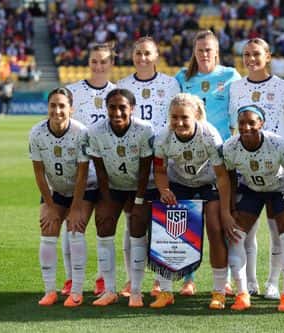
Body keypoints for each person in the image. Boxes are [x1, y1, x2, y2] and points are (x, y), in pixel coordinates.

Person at [152, 93, 234, 309]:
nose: (179, 122)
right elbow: (159, 169)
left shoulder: (209, 135)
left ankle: (218, 291)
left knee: (215, 229)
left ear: (196, 116)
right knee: (170, 232)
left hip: (208, 184)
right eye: (174, 117)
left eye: (184, 117)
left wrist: (225, 211)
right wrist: (164, 189)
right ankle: (166, 291)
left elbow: (223, 176)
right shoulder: (163, 137)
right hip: (179, 184)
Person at [175, 29, 241, 295]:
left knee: (219, 223)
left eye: (209, 50)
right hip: (188, 157)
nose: (204, 54)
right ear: (194, 51)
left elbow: (236, 115)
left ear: (217, 52)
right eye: (200, 50)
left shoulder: (230, 76)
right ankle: (187, 279)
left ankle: (223, 279)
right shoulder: (183, 77)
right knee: (187, 221)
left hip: (220, 156)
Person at [228, 38, 284, 299]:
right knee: (247, 230)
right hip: (248, 168)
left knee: (278, 231)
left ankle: (273, 283)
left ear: (268, 56)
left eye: (256, 54)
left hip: (279, 170)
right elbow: (235, 126)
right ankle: (250, 282)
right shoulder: (235, 87)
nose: (251, 59)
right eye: (246, 54)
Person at [117, 37, 180, 298]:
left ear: (156, 56)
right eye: (138, 53)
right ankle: (132, 280)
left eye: (147, 53)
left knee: (162, 224)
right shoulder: (123, 85)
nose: (143, 58)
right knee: (132, 221)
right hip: (134, 166)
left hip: (164, 163)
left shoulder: (170, 83)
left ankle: (158, 280)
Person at [223, 105, 284, 311]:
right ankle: (242, 293)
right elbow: (229, 177)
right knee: (236, 234)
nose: (246, 127)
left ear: (261, 124)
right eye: (241, 123)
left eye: (251, 122)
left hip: (279, 187)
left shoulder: (276, 143)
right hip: (252, 189)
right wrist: (231, 207)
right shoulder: (230, 146)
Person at [29, 87, 97, 307]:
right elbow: (39, 173)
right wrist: (49, 205)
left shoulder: (81, 132)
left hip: (83, 189)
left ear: (71, 109)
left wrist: (76, 207)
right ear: (47, 107)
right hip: (56, 190)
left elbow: (82, 173)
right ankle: (50, 291)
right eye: (53, 105)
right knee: (47, 229)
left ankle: (76, 292)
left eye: (62, 106)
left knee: (75, 230)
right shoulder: (36, 133)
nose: (57, 110)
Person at [87, 88, 154, 307]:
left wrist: (139, 201)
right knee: (104, 224)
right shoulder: (96, 131)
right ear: (106, 108)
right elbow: (100, 170)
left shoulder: (144, 130)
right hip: (113, 186)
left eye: (122, 107)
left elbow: (145, 170)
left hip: (139, 187)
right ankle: (109, 290)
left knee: (137, 227)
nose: (117, 112)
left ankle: (135, 291)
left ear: (132, 109)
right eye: (112, 107)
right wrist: (106, 199)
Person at [63, 42, 117, 297]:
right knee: (73, 226)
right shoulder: (72, 91)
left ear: (112, 64)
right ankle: (71, 279)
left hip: (111, 173)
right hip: (80, 173)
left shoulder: (120, 93)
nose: (99, 66)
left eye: (104, 61)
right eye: (94, 61)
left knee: (107, 228)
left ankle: (103, 279)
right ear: (88, 62)